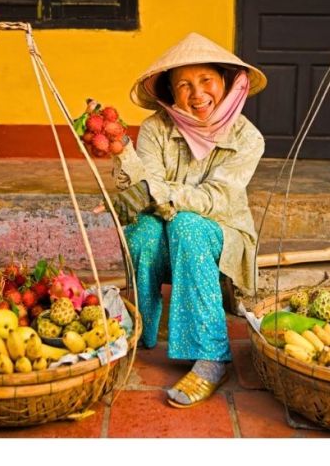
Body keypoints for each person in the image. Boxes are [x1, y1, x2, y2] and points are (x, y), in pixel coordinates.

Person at [107, 33, 265, 409]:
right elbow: (146, 183)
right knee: (142, 232)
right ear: (170, 93)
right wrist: (120, 153)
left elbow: (217, 198)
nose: (198, 94)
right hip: (165, 228)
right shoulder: (155, 128)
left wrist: (160, 195)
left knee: (188, 226)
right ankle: (141, 331)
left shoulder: (248, 137)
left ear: (226, 82)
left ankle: (212, 355)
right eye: (184, 85)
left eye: (207, 81)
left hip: (222, 232)